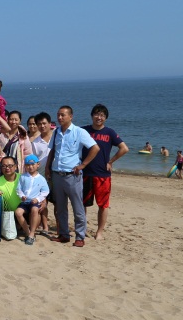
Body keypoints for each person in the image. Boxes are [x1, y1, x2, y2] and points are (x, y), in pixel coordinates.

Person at [46, 106, 99, 247]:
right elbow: (52, 151)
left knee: (78, 208)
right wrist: (47, 168)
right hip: (57, 174)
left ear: (71, 116)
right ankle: (64, 234)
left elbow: (95, 148)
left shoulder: (79, 132)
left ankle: (80, 236)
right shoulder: (56, 132)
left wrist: (83, 165)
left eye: (63, 115)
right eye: (58, 115)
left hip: (72, 176)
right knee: (60, 208)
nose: (60, 117)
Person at [83, 104, 129, 240]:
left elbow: (124, 148)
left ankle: (99, 232)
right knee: (82, 204)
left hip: (102, 175)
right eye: (97, 114)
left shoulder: (109, 132)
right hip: (85, 173)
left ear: (106, 118)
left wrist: (111, 161)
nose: (99, 117)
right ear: (92, 116)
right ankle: (82, 229)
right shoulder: (84, 131)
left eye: (102, 115)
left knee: (103, 205)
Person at [15, 155, 49, 244]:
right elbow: (18, 189)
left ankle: (32, 233)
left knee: (34, 210)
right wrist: (22, 196)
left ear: (38, 164)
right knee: (18, 212)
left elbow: (45, 191)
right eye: (27, 165)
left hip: (34, 202)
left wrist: (38, 199)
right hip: (25, 201)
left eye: (32, 164)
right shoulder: (23, 177)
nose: (30, 167)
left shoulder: (41, 179)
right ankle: (28, 232)